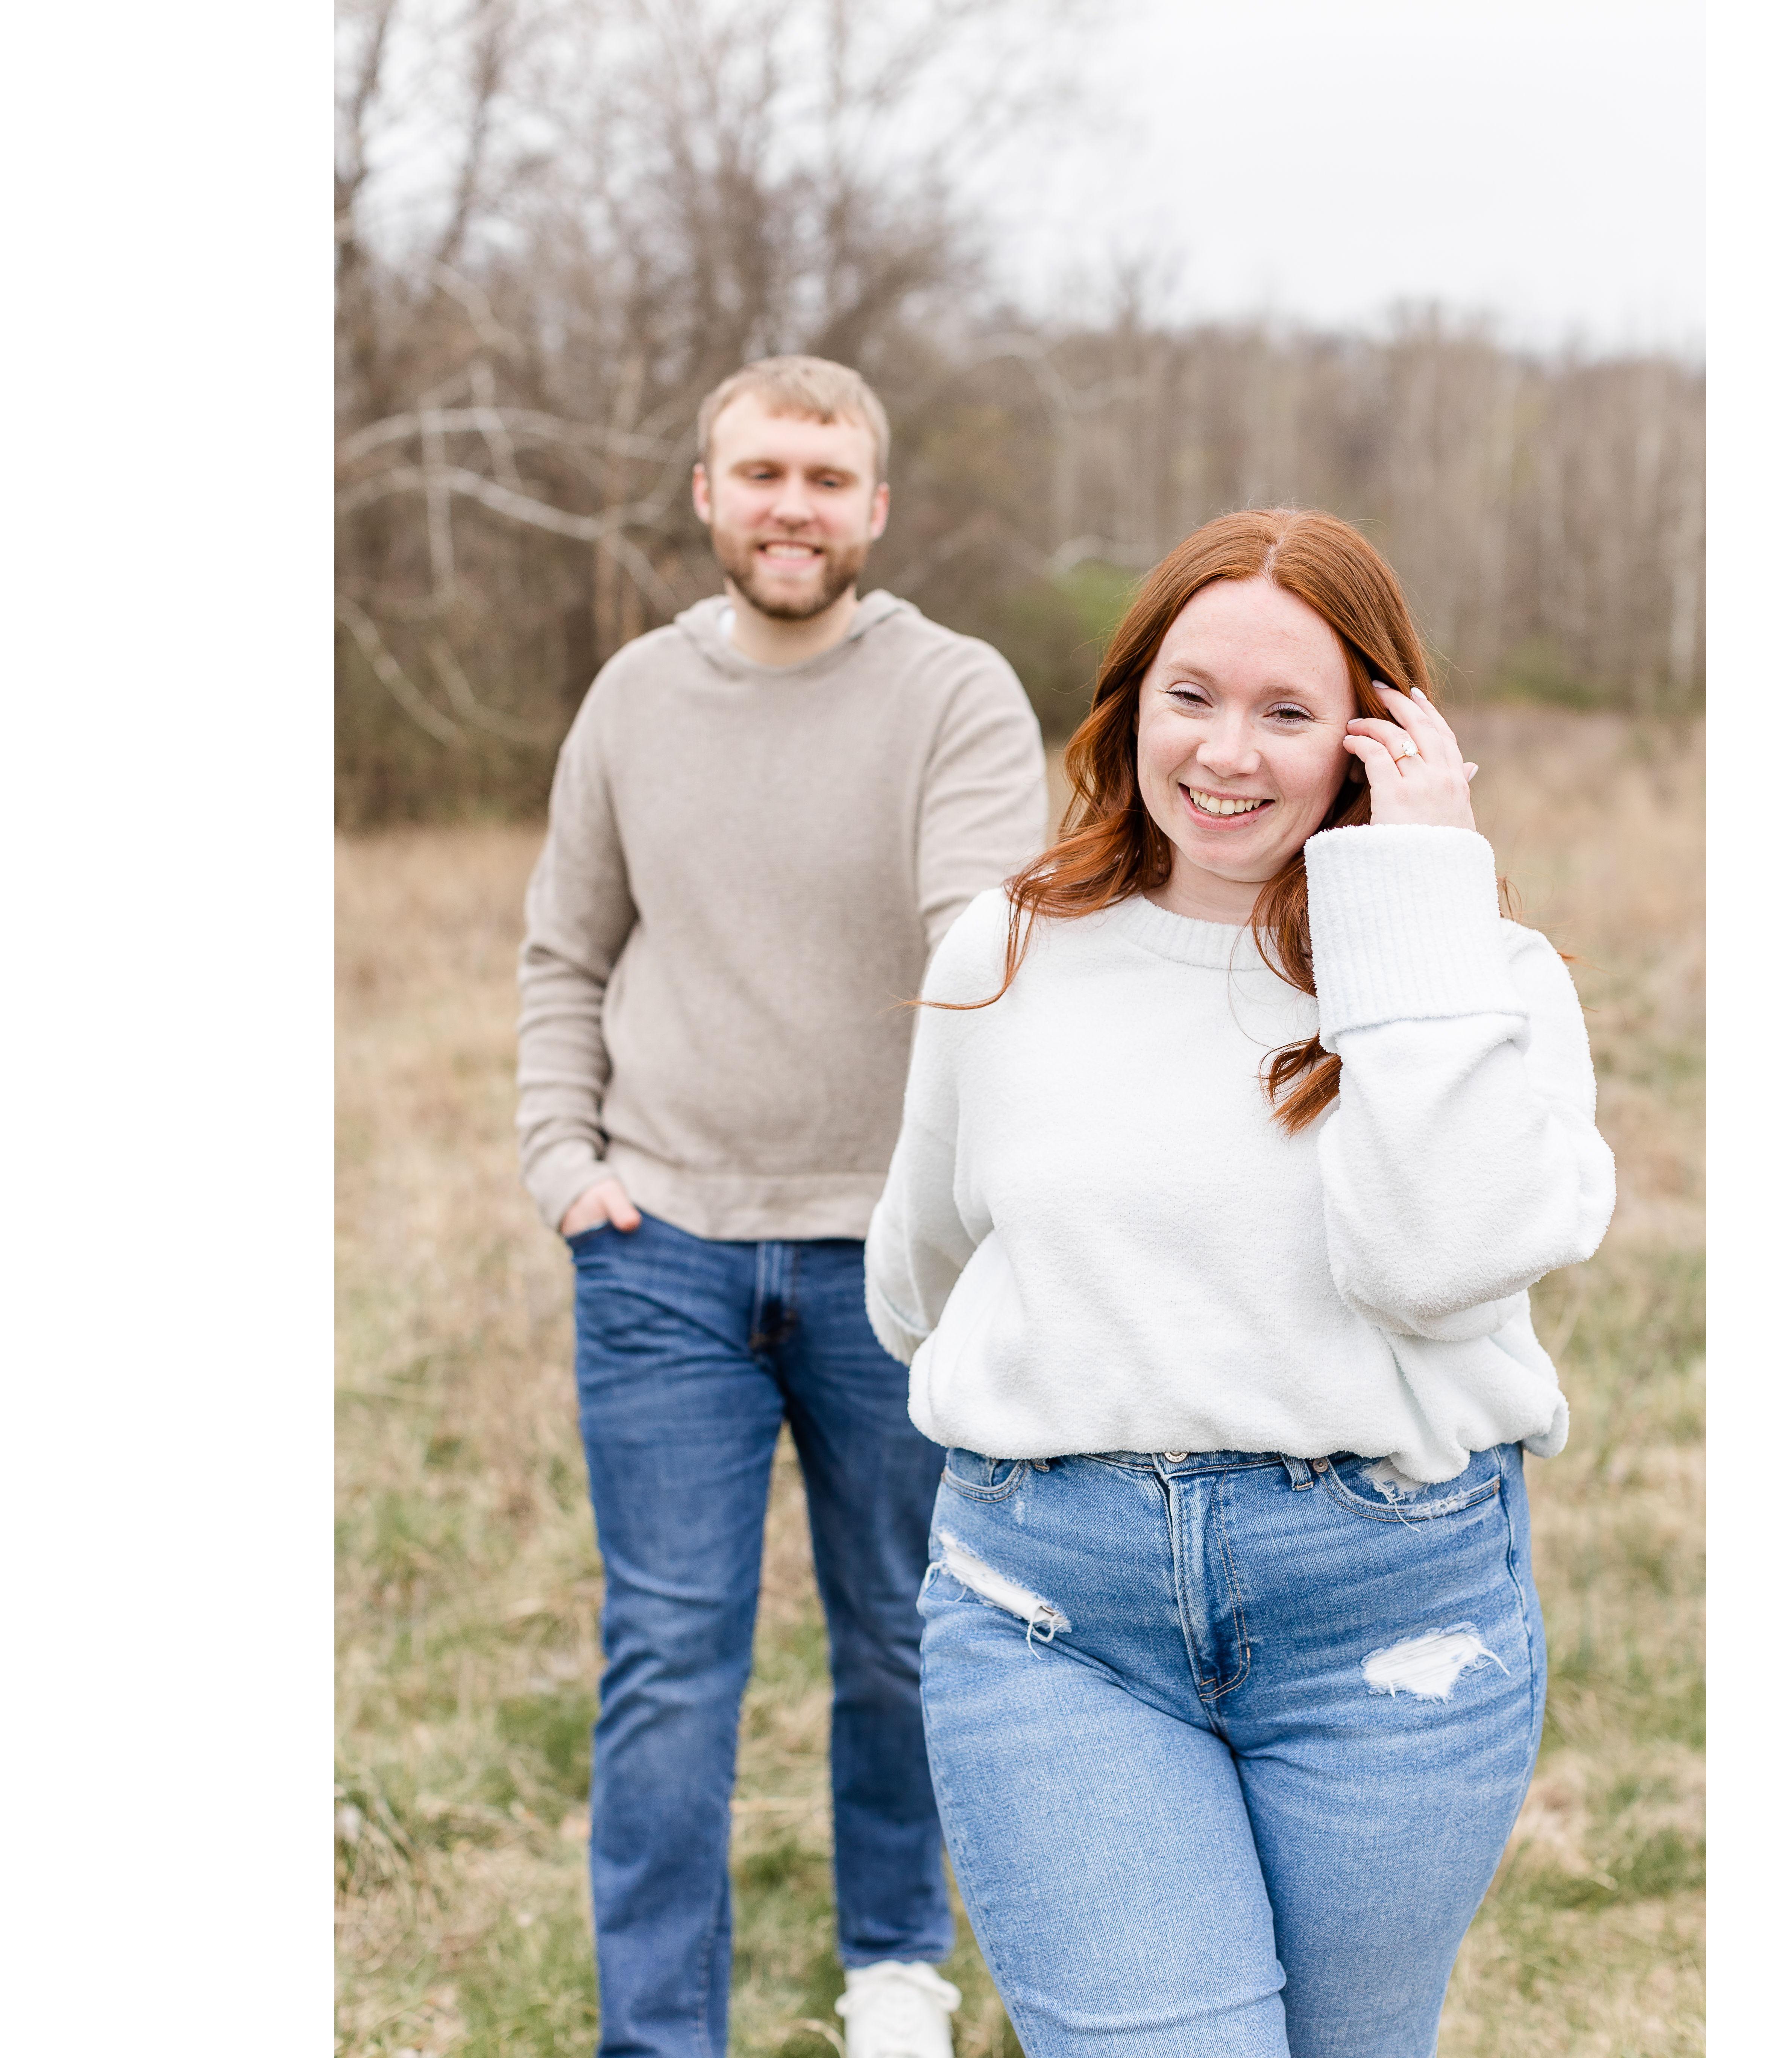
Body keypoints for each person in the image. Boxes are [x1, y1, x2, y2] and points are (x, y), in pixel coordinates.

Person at [865, 508, 1616, 2058]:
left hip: (1388, 1623)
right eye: (1192, 695)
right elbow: (923, 1274)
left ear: (1376, 737)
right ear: (1130, 700)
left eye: (1291, 710)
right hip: (1051, 1610)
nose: (1229, 751)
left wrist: (1412, 904)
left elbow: (1439, 1267)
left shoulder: (1484, 980)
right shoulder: (1000, 952)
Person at [516, 354, 1047, 2058]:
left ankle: (896, 1962)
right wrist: (561, 1163)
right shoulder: (630, 702)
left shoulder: (954, 694)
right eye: (763, 475)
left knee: (904, 1637)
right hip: (657, 1247)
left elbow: (983, 937)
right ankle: (656, 2029)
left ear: (875, 509)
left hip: (890, 1263)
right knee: (672, 1664)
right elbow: (565, 954)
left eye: (827, 480)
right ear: (707, 493)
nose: (793, 507)